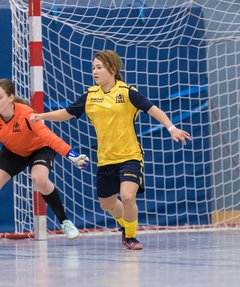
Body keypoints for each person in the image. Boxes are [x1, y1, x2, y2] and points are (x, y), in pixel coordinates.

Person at [30, 50, 191, 250]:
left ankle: (130, 237)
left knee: (128, 196)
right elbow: (67, 113)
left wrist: (171, 128)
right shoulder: (90, 96)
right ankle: (126, 226)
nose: (95, 72)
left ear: (112, 69)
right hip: (106, 159)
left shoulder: (127, 92)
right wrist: (42, 116)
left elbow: (154, 109)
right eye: (93, 68)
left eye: (99, 67)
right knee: (107, 204)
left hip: (130, 156)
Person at [0, 78, 89, 239]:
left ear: (11, 98)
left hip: (39, 149)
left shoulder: (26, 114)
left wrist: (73, 156)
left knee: (39, 178)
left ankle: (64, 221)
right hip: (13, 152)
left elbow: (49, 137)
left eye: (0, 97)